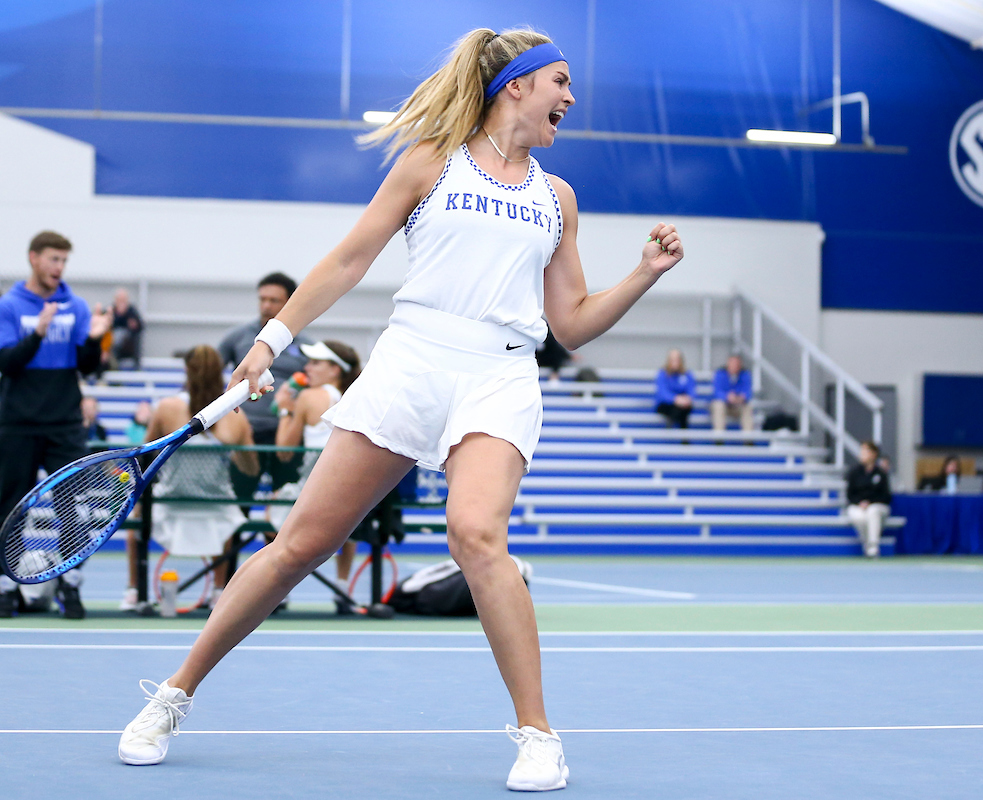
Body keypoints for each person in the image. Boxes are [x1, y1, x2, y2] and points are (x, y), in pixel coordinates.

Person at [116, 28, 684, 793]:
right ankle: (173, 697)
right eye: (559, 81)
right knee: (298, 547)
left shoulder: (558, 200)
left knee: (477, 534)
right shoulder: (430, 162)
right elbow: (349, 260)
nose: (570, 97)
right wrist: (270, 340)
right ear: (516, 84)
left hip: (499, 375)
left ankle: (539, 737)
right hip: (411, 362)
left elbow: (572, 323)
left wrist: (644, 274)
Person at [0, 230, 112, 619]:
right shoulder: (10, 305)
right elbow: (8, 364)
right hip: (17, 422)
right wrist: (39, 332)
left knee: (71, 505)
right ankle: (5, 586)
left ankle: (70, 585)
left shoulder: (77, 306)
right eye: (52, 259)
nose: (58, 267)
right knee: (12, 506)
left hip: (64, 421)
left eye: (63, 260)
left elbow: (86, 366)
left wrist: (95, 340)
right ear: (34, 258)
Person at [121, 346, 258, 613]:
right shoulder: (235, 416)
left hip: (170, 503)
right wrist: (233, 450)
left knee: (135, 527)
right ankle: (219, 591)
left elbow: (145, 454)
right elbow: (251, 468)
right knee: (228, 523)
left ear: (187, 371)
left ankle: (133, 590)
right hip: (218, 509)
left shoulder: (166, 408)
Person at [271, 340, 362, 614]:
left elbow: (284, 452)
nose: (307, 367)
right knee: (347, 523)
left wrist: (286, 408)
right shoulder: (354, 396)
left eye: (316, 363)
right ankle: (342, 587)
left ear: (335, 369)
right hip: (349, 492)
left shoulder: (309, 397)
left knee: (271, 510)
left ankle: (278, 590)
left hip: (313, 489)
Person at [217, 272, 312, 488]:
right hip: (247, 434)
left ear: (289, 302)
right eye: (262, 299)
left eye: (274, 300)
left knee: (289, 502)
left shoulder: (307, 345)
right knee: (240, 498)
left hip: (287, 435)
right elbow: (209, 373)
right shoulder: (237, 337)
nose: (266, 305)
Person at [845, 441, 891, 558]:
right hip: (858, 506)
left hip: (877, 506)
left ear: (873, 454)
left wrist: (870, 502)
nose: (862, 454)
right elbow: (850, 494)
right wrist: (860, 502)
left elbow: (886, 496)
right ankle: (868, 544)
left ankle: (873, 546)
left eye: (865, 451)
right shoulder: (854, 472)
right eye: (862, 451)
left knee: (873, 511)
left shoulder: (881, 473)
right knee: (859, 516)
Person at [710, 353, 753, 434]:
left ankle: (748, 439)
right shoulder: (720, 374)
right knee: (718, 405)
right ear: (728, 363)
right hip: (724, 405)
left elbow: (748, 392)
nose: (734, 366)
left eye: (736, 364)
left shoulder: (745, 375)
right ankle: (719, 438)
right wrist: (727, 397)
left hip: (738, 405)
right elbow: (716, 392)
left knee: (747, 407)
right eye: (732, 363)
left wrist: (741, 397)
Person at [654, 348, 695, 428]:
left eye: (677, 359)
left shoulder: (687, 374)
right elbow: (662, 393)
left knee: (684, 409)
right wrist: (676, 399)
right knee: (679, 409)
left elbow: (692, 390)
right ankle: (684, 437)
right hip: (667, 405)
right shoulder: (662, 374)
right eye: (672, 359)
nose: (675, 362)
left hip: (683, 405)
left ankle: (673, 424)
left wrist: (687, 399)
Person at [108, 287, 144, 369]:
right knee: (116, 335)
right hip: (113, 340)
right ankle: (112, 358)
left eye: (123, 299)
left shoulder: (132, 310)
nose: (122, 302)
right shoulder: (111, 310)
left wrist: (134, 324)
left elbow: (140, 326)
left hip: (128, 341)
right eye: (119, 299)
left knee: (120, 334)